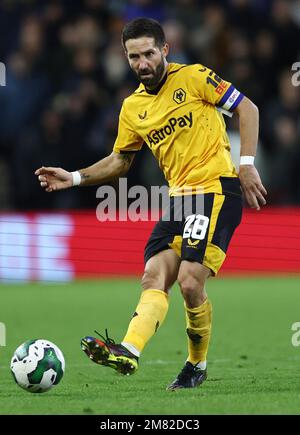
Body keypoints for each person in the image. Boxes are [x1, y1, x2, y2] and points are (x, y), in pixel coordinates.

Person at [35, 18, 267, 390]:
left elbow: (248, 109)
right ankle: (128, 350)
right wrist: (75, 177)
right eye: (133, 57)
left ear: (164, 50)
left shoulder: (193, 78)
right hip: (178, 199)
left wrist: (247, 166)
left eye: (147, 54)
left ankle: (196, 364)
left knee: (190, 283)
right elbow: (120, 160)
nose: (142, 63)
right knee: (153, 276)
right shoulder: (132, 108)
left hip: (215, 190)